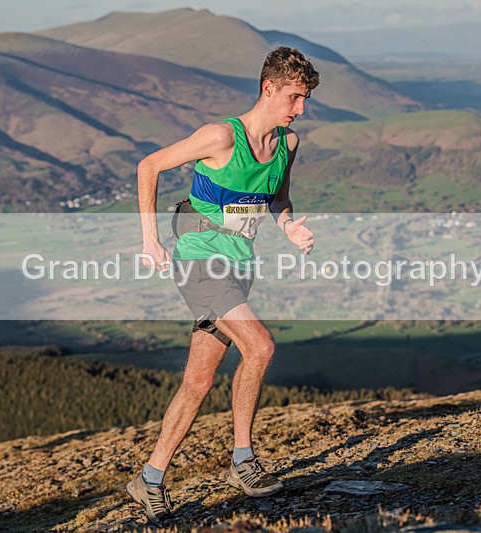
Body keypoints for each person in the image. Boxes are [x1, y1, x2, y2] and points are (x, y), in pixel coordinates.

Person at [127, 46, 319, 525]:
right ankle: (243, 460)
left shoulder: (288, 145)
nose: (300, 109)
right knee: (260, 346)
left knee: (198, 381)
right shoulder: (221, 137)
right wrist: (150, 239)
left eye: (305, 99)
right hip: (199, 257)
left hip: (239, 262)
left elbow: (278, 199)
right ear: (268, 88)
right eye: (294, 97)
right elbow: (149, 166)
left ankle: (149, 479)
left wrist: (289, 227)